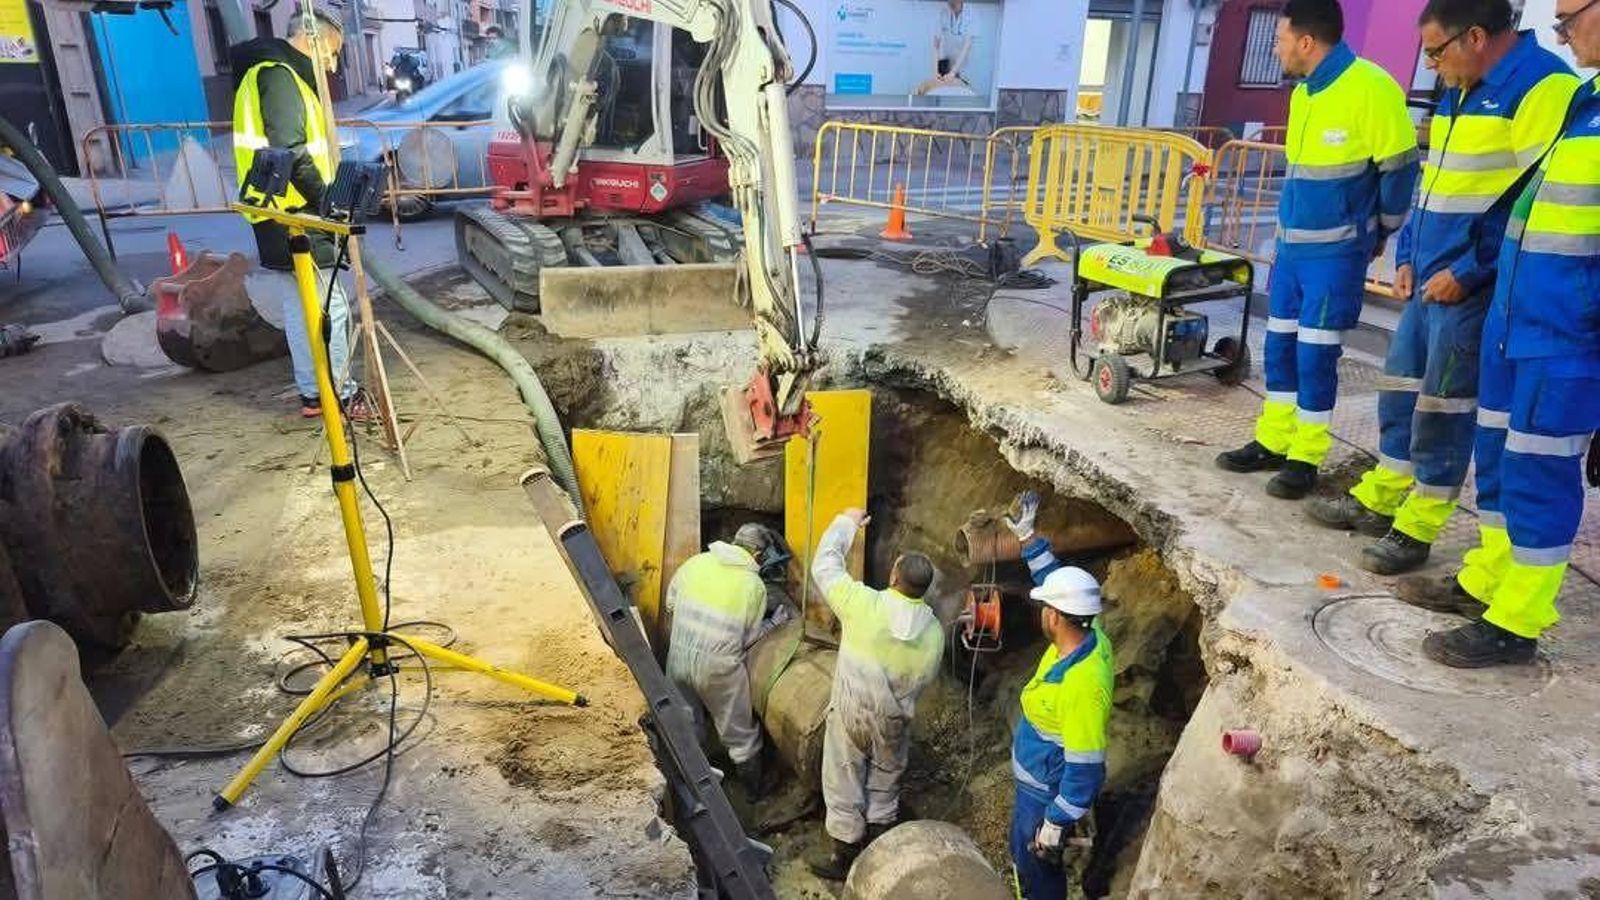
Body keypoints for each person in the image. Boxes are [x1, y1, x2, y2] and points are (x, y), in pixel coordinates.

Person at [1307, 1, 1578, 577]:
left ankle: (1420, 523)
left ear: (1475, 37)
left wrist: (1472, 271)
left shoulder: (1541, 89)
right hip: (1429, 275)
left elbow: (1535, 199)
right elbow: (1435, 181)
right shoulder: (1461, 86)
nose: (1431, 66)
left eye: (1436, 51)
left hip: (1472, 288)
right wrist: (1407, 252)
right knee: (1402, 390)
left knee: (1445, 408)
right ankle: (1387, 492)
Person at [1399, 0, 1600, 668]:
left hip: (1567, 336)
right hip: (1518, 321)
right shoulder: (1588, 102)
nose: (1562, 31)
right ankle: (1487, 582)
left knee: (1542, 475)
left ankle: (1517, 622)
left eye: (1571, 16)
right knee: (1502, 461)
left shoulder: (1563, 96)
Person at [1216, 0, 1420, 499]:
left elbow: (1399, 170)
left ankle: (1306, 457)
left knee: (1316, 356)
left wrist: (1379, 233)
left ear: (1306, 41)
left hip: (1336, 255)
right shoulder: (1306, 92)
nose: (1276, 47)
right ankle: (1275, 438)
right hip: (1292, 252)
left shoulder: (1371, 88)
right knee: (1279, 347)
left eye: (1279, 38)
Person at [231, 4, 367, 420]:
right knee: (333, 304)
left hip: (274, 212)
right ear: (313, 39)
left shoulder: (270, 74)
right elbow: (290, 149)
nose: (332, 65)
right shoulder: (280, 75)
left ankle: (313, 395)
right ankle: (341, 394)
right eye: (331, 54)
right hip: (297, 212)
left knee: (299, 303)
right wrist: (328, 199)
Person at [805, 508, 943, 881]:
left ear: (894, 576)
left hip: (851, 712)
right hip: (895, 719)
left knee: (843, 775)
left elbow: (825, 567)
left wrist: (846, 523)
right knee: (885, 778)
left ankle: (844, 854)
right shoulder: (933, 632)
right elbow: (926, 677)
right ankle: (882, 847)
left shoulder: (863, 604)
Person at [1003, 491, 1113, 900]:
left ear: (1053, 616)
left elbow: (1086, 769)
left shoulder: (1082, 686)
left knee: (1036, 872)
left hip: (1045, 793)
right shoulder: (1090, 633)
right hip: (1037, 780)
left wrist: (1053, 823)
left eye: (1044, 607)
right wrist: (1029, 539)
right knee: (1023, 859)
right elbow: (1054, 581)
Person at [664, 523, 787, 797]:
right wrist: (776, 622)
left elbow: (671, 604)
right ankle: (753, 792)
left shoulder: (696, 563)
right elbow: (749, 639)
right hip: (718, 668)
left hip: (678, 654)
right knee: (738, 732)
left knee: (685, 719)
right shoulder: (752, 585)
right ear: (757, 553)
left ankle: (694, 786)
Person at [913, 0, 973, 96]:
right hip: (944, 67)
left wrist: (953, 72)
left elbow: (966, 48)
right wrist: (935, 72)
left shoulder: (970, 14)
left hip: (959, 70)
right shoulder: (943, 13)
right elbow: (936, 45)